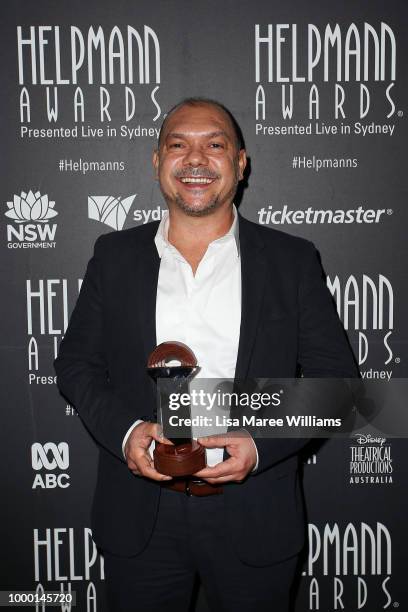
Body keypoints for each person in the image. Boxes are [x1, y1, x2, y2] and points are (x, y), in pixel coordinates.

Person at [54, 98, 357, 612]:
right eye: (179, 144)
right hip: (139, 518)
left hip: (255, 514)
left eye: (214, 144)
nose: (196, 158)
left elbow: (338, 383)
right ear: (157, 162)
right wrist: (127, 433)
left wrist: (259, 444)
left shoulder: (292, 259)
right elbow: (76, 365)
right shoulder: (114, 256)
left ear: (240, 164)